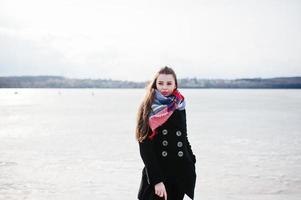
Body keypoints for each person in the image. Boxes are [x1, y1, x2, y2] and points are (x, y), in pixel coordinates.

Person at [135, 66, 196, 200]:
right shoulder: (147, 107)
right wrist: (157, 180)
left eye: (169, 83)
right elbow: (145, 147)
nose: (164, 87)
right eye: (160, 83)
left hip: (179, 174)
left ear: (175, 85)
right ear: (155, 84)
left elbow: (183, 136)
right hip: (158, 175)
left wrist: (191, 159)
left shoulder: (179, 105)